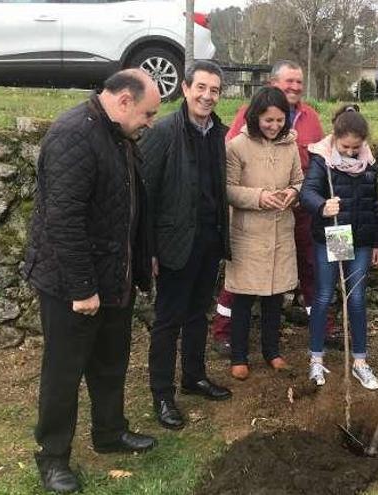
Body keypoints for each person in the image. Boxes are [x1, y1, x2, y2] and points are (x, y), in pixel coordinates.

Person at [22, 69, 160, 494]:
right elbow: (63, 221)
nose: (150, 122)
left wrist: (141, 259)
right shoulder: (73, 136)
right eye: (148, 113)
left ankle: (110, 432)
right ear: (122, 101)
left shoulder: (119, 136)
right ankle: (53, 457)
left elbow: (129, 206)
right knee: (64, 372)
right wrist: (82, 289)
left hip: (112, 277)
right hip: (72, 285)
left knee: (109, 363)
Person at [209, 60, 335, 357]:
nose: (294, 87)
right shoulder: (247, 117)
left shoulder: (311, 118)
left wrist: (299, 193)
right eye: (288, 82)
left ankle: (323, 326)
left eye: (299, 82)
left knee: (309, 267)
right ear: (273, 84)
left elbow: (320, 163)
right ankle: (224, 332)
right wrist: (260, 196)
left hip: (300, 207)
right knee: (242, 278)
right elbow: (232, 170)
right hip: (255, 216)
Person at [139, 60, 233, 431]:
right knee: (168, 321)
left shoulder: (217, 134)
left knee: (198, 315)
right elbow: (145, 194)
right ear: (185, 88)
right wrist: (149, 249)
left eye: (214, 90)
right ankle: (162, 394)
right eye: (202, 88)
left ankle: (193, 377)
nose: (208, 96)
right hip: (174, 244)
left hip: (208, 241)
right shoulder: (162, 132)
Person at [300, 104, 378, 390]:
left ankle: (360, 361)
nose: (350, 152)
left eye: (355, 147)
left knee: (357, 298)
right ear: (335, 137)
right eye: (346, 146)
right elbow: (306, 192)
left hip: (359, 238)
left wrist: (376, 241)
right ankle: (316, 358)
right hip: (335, 234)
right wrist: (323, 206)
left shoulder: (369, 162)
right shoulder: (322, 159)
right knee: (324, 296)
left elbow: (373, 205)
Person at [224, 86, 304, 379]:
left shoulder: (291, 146)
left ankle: (273, 352)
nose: (274, 126)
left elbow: (299, 180)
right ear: (255, 117)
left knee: (274, 298)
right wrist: (258, 197)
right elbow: (228, 189)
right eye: (268, 120)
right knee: (243, 299)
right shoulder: (237, 146)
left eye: (280, 120)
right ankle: (239, 356)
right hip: (248, 234)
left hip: (280, 231)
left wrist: (292, 193)